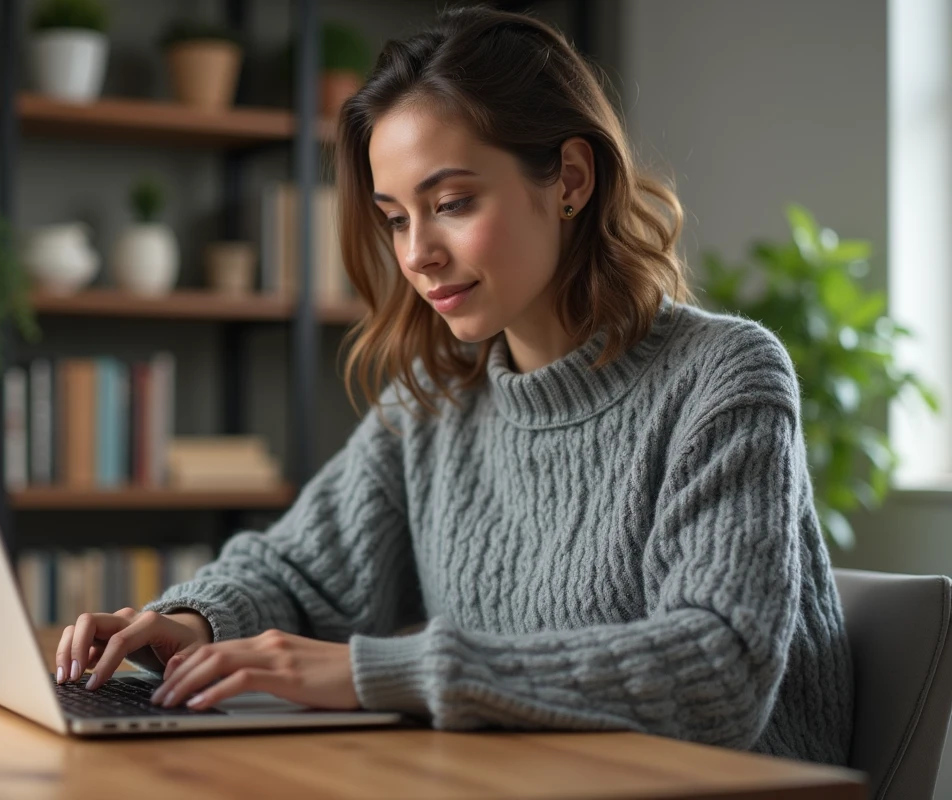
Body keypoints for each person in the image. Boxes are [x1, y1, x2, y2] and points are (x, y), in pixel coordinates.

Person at [55, 5, 853, 765]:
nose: (418, 253)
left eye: (452, 203)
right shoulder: (434, 402)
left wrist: (377, 671)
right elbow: (295, 569)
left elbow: (717, 665)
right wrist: (192, 620)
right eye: (396, 217)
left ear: (570, 178)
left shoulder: (723, 377)